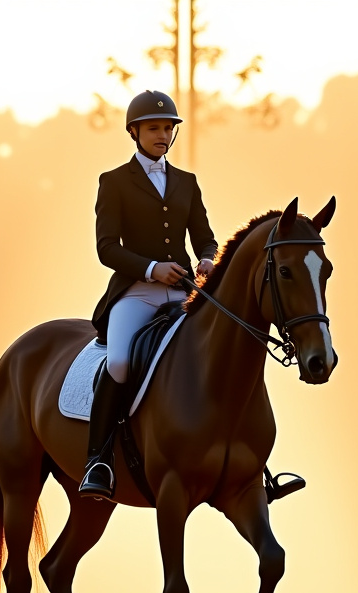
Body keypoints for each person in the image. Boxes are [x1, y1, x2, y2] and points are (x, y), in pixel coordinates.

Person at [80, 90, 218, 498]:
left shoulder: (187, 183)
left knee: (220, 354)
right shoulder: (114, 182)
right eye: (154, 128)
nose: (162, 134)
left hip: (181, 295)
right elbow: (107, 248)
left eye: (168, 128)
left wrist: (209, 259)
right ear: (135, 132)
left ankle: (248, 460)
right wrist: (151, 268)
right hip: (136, 294)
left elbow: (205, 238)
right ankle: (98, 461)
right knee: (120, 361)